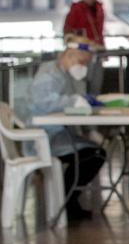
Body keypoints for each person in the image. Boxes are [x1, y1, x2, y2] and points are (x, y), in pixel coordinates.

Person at [29, 38, 107, 222]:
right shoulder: (48, 74)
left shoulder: (61, 73)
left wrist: (80, 99)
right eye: (81, 62)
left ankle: (68, 202)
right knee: (94, 155)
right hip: (43, 136)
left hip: (55, 133)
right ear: (70, 55)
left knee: (94, 151)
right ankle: (66, 203)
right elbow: (44, 102)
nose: (83, 67)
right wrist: (73, 101)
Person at [63, 0, 106, 94]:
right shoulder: (77, 8)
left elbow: (100, 31)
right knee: (81, 83)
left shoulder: (99, 8)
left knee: (96, 82)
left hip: (96, 51)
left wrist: (102, 47)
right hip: (82, 52)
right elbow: (68, 31)